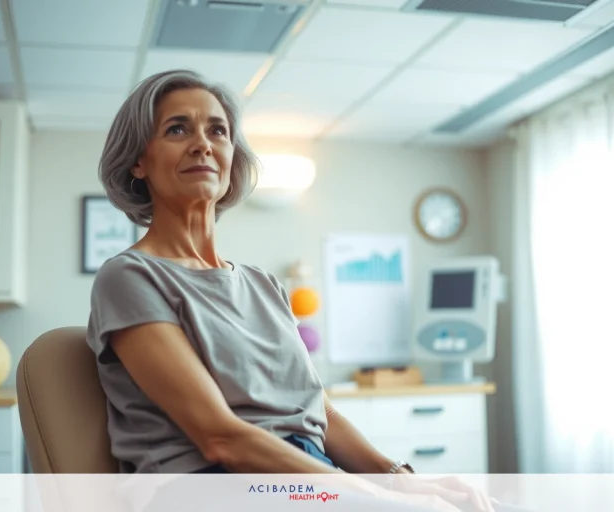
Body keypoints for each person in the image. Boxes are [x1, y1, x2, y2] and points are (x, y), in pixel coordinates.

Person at [86, 69, 497, 512]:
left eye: (217, 130)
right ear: (138, 161)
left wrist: (400, 481)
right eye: (177, 128)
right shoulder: (130, 277)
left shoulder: (264, 285)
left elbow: (321, 412)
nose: (203, 143)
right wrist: (374, 496)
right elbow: (220, 438)